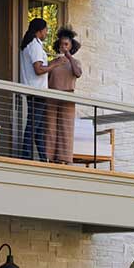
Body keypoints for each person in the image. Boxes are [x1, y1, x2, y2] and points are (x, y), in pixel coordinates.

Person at [19, 18, 65, 161]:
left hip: (35, 90)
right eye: (46, 30)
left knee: (38, 129)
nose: (47, 32)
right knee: (33, 126)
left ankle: (43, 158)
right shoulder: (35, 45)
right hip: (37, 91)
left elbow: (40, 66)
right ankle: (26, 158)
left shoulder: (31, 45)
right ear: (40, 30)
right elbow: (38, 70)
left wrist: (54, 62)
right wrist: (56, 64)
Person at [45, 26, 82, 164]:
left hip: (68, 96)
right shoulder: (54, 61)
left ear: (71, 45)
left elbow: (77, 73)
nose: (63, 47)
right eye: (61, 44)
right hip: (52, 96)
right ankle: (49, 158)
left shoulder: (75, 62)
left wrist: (69, 57)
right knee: (50, 127)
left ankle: (64, 159)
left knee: (66, 128)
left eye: (66, 44)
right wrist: (55, 63)